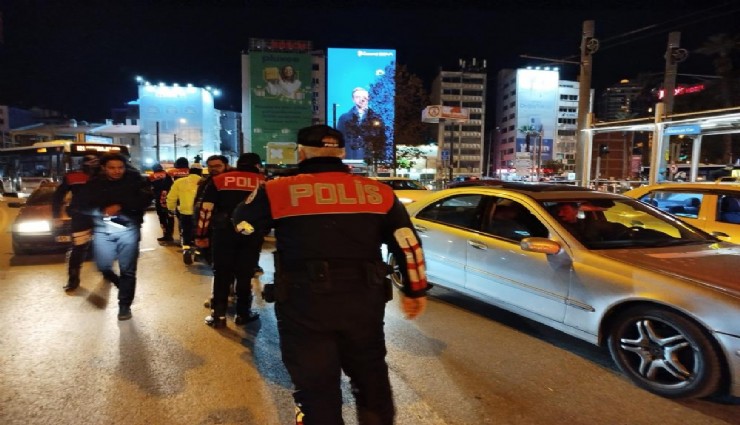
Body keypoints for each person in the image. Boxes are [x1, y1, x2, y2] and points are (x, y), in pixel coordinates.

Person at [232, 124, 429, 425]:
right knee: (371, 380)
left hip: (304, 303)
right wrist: (415, 291)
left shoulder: (275, 190)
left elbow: (242, 225)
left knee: (317, 387)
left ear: (300, 152)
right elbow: (408, 243)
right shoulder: (379, 192)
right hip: (364, 302)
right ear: (342, 153)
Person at [78, 152, 153, 320]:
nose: (117, 171)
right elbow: (81, 205)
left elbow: (146, 200)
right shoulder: (94, 183)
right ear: (104, 168)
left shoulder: (135, 180)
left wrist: (121, 205)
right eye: (112, 168)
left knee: (128, 270)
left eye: (120, 168)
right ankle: (119, 282)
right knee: (103, 266)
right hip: (103, 228)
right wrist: (99, 212)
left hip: (129, 228)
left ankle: (124, 305)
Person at [195, 153, 266, 328]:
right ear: (257, 165)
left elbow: (206, 210)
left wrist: (201, 235)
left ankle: (218, 315)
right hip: (250, 234)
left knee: (221, 272)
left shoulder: (220, 180)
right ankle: (243, 313)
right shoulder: (264, 182)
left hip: (223, 232)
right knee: (244, 273)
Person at [52, 153, 100, 292]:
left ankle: (106, 272)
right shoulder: (73, 177)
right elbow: (58, 196)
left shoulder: (105, 175)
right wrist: (56, 215)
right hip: (81, 217)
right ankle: (73, 279)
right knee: (79, 248)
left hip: (101, 216)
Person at [336, 87, 387, 161]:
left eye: (364, 97)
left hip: (370, 160)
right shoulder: (344, 118)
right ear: (353, 99)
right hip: (348, 158)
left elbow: (382, 141)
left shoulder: (377, 118)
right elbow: (339, 139)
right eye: (358, 97)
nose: (361, 99)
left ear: (368, 98)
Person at [166, 162, 202, 264]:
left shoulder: (179, 182)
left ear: (190, 171)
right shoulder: (203, 182)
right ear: (200, 172)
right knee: (200, 233)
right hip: (200, 213)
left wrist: (171, 209)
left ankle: (186, 249)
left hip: (185, 212)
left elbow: (171, 197)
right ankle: (198, 252)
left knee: (186, 232)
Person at [148, 163, 174, 243]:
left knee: (162, 217)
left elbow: (149, 187)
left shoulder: (152, 176)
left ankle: (166, 234)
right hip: (168, 199)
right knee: (170, 217)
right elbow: (171, 185)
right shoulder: (167, 175)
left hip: (159, 199)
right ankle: (170, 234)